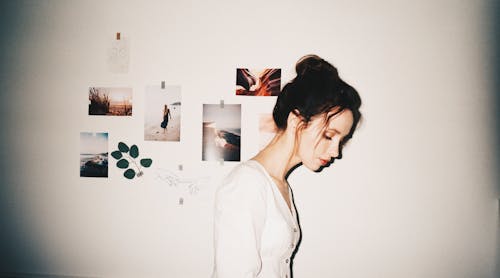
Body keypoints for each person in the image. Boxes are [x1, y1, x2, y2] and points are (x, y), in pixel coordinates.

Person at [212, 54, 362, 278]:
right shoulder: (247, 184)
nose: (336, 152)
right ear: (296, 121)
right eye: (330, 136)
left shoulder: (280, 186)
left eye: (341, 141)